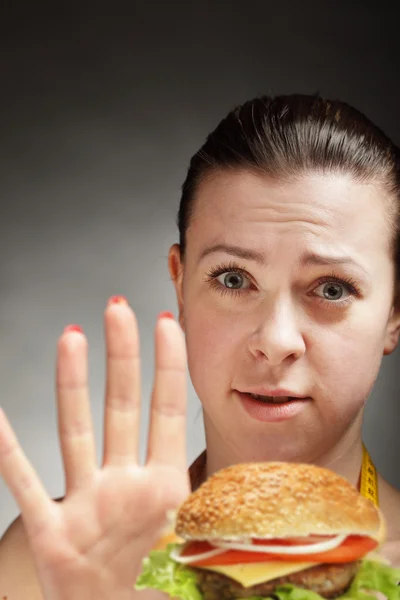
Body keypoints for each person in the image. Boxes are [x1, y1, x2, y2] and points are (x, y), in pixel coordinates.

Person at [0, 93, 400, 600]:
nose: (275, 341)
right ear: (180, 286)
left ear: (394, 311)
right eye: (233, 279)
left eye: (332, 289)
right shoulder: (46, 570)